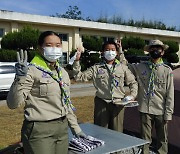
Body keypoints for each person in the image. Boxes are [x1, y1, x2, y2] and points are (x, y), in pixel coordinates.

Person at [7, 31, 85, 154]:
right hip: (39, 130)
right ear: (40, 48)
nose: (54, 48)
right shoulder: (31, 70)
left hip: (62, 128)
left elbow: (66, 103)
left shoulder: (62, 73)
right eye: (49, 45)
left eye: (58, 45)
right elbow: (13, 103)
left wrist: (76, 129)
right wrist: (20, 78)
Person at [72, 40, 138, 132]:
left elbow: (133, 82)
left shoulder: (122, 67)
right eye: (107, 50)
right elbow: (79, 77)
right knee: (101, 131)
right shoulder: (96, 68)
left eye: (113, 50)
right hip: (102, 103)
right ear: (102, 52)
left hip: (118, 104)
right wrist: (76, 61)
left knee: (117, 132)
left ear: (116, 52)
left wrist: (132, 95)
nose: (110, 52)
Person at [129, 40, 174, 154]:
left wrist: (168, 113)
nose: (155, 50)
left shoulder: (166, 70)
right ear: (149, 51)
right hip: (145, 108)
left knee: (162, 139)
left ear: (162, 52)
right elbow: (126, 66)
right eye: (152, 48)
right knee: (144, 138)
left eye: (158, 48)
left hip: (161, 110)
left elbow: (170, 94)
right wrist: (119, 51)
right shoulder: (141, 67)